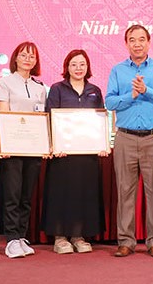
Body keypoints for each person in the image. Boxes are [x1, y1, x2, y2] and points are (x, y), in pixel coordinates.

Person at [105, 24, 153, 258]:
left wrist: (146, 91)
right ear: (126, 44)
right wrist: (131, 95)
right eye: (132, 40)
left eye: (141, 39)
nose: (137, 44)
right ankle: (126, 241)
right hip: (125, 137)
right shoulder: (117, 70)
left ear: (149, 42)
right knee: (125, 191)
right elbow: (110, 102)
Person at [42, 49, 107, 254]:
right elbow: (50, 117)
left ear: (88, 67)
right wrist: (55, 144)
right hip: (63, 153)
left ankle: (79, 236)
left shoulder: (95, 90)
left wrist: (102, 143)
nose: (78, 68)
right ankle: (60, 237)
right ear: (67, 67)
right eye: (74, 64)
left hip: (87, 154)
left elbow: (101, 119)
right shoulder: (57, 89)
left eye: (82, 64)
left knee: (84, 194)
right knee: (61, 194)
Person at [0, 41, 46, 259]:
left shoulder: (39, 87)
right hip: (12, 147)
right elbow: (3, 115)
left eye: (32, 56)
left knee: (26, 196)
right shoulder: (4, 83)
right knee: (12, 195)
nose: (27, 59)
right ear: (15, 58)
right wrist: (4, 143)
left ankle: (22, 236)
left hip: (33, 148)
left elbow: (42, 118)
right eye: (23, 55)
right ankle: (11, 239)